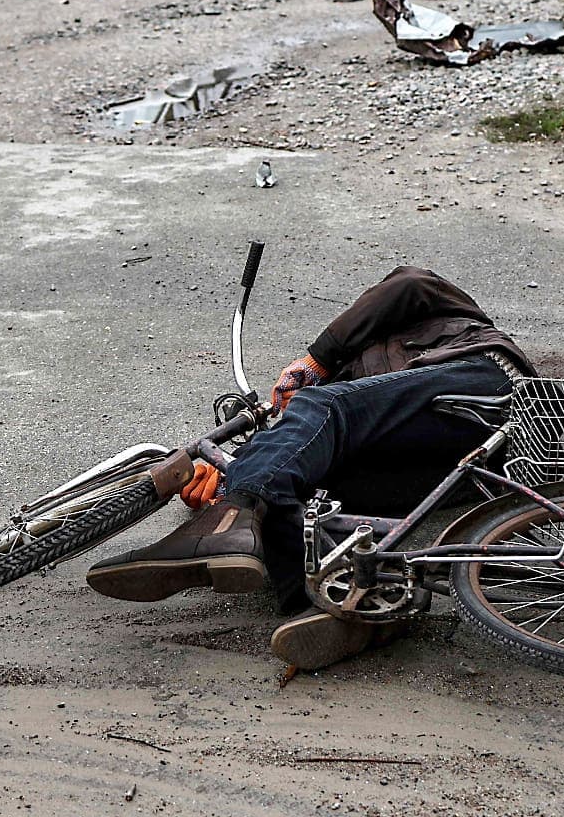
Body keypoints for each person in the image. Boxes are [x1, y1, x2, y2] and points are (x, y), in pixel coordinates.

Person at [85, 266, 531, 669]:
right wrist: (226, 479)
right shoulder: (351, 398)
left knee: (322, 407)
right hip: (449, 462)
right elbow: (294, 456)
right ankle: (357, 603)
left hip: (483, 390)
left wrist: (317, 359)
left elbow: (409, 283)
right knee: (297, 497)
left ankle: (228, 521)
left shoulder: (438, 318)